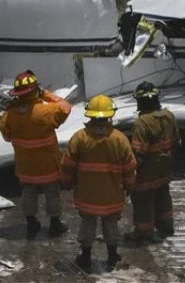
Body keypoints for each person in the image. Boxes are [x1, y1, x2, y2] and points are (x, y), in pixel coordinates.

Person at [61, 95, 136, 273]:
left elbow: (67, 166)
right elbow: (129, 167)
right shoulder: (119, 139)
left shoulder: (79, 138)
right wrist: (129, 186)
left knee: (87, 224)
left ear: (90, 115)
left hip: (87, 195)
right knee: (111, 225)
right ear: (110, 115)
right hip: (112, 195)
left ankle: (85, 257)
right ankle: (112, 257)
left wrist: (67, 183)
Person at [0, 70, 72, 238]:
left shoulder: (10, 114)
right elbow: (66, 107)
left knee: (28, 193)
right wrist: (46, 94)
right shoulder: (47, 111)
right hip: (48, 165)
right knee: (52, 193)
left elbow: (6, 136)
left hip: (25, 167)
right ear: (35, 90)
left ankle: (31, 223)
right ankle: (55, 224)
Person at [125, 82, 180, 242]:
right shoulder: (169, 116)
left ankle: (144, 232)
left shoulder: (142, 122)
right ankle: (166, 227)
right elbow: (177, 142)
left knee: (143, 201)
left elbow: (138, 152)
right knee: (163, 197)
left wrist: (129, 173)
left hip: (146, 172)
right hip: (165, 168)